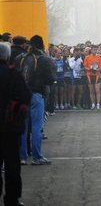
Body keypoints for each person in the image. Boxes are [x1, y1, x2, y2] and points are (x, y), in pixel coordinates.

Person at [14, 35, 56, 165]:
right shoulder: (43, 60)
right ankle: (37, 156)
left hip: (20, 95)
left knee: (23, 127)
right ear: (42, 46)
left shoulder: (18, 59)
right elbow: (49, 79)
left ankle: (22, 156)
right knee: (37, 127)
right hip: (36, 95)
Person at [0, 42, 32, 206]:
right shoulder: (13, 74)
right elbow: (26, 96)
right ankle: (11, 200)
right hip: (10, 125)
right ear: (8, 56)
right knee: (12, 164)